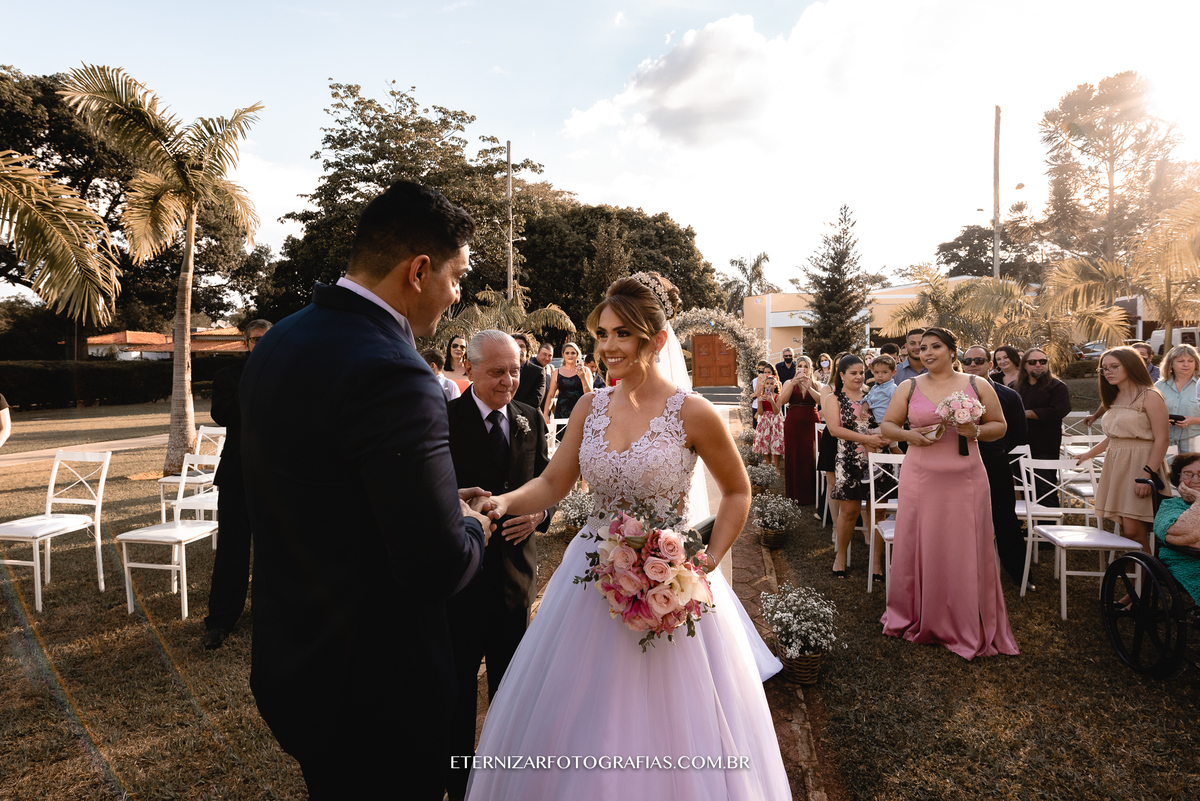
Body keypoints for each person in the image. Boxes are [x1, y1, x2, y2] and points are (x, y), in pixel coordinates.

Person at [466, 272, 790, 799]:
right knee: (581, 712)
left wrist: (703, 563)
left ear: (655, 340)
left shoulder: (692, 412)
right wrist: (503, 502)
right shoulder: (589, 408)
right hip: (588, 578)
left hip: (670, 581)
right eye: (602, 334)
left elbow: (737, 492)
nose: (608, 346)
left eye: (622, 334)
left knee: (674, 720)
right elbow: (552, 482)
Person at [239, 180, 492, 799]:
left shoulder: (280, 341)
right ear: (419, 270)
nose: (456, 297)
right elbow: (436, 565)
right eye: (456, 279)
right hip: (376, 691)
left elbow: (324, 485)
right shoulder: (394, 371)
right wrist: (472, 525)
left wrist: (425, 501)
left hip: (295, 662)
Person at [444, 330, 553, 801]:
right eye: (496, 371)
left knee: (512, 689)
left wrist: (539, 513)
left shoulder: (529, 418)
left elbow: (550, 481)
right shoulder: (443, 419)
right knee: (457, 692)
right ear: (469, 369)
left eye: (515, 369)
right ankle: (459, 781)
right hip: (461, 579)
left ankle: (506, 782)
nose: (509, 380)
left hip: (515, 576)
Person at [880, 327, 1018, 660]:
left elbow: (1000, 426)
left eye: (935, 347)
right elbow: (888, 426)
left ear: (952, 350)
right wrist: (912, 437)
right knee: (921, 541)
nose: (927, 353)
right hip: (921, 476)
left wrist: (976, 430)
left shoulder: (976, 384)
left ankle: (967, 617)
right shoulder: (908, 386)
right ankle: (916, 613)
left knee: (965, 545)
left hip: (966, 478)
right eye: (922, 348)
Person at [202, 319, 272, 650]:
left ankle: (270, 614)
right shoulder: (227, 376)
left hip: (276, 475)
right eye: (255, 340)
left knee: (274, 549)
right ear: (246, 344)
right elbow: (222, 414)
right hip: (236, 475)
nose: (261, 344)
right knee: (232, 550)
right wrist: (254, 386)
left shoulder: (288, 375)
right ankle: (220, 620)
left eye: (266, 339)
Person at [1074, 347, 1170, 556]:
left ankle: (1146, 583)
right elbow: (1116, 435)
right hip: (1117, 465)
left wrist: (1146, 475)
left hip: (1141, 465)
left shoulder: (1150, 395)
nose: (1108, 372)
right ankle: (1141, 582)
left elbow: (1162, 439)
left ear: (1131, 366)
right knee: (1129, 533)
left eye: (1114, 367)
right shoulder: (1114, 397)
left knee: (1134, 532)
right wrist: (1090, 454)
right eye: (1104, 368)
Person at [962, 345, 1030, 588]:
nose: (972, 364)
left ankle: (1020, 575)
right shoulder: (951, 394)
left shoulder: (1008, 395)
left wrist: (994, 447)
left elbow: (1019, 434)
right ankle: (964, 574)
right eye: (966, 360)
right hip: (958, 462)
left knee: (1004, 517)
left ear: (990, 364)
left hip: (994, 460)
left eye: (978, 360)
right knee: (961, 519)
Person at [822, 354, 890, 579]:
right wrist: (866, 440)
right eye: (854, 373)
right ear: (841, 375)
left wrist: (880, 436)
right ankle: (840, 556)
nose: (860, 377)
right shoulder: (834, 399)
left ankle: (876, 563)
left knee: (878, 512)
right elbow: (834, 430)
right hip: (849, 460)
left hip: (877, 460)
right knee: (849, 511)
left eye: (862, 372)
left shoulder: (873, 395)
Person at [1015, 348, 1072, 506]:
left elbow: (1060, 410)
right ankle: (1033, 529)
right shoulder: (1015, 387)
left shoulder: (1057, 387)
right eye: (1032, 362)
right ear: (1024, 365)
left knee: (1045, 490)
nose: (1038, 365)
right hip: (1019, 446)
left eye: (1043, 361)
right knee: (1027, 490)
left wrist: (1026, 413)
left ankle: (1049, 529)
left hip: (1045, 447)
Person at [1153, 453, 1200, 604]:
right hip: (1188, 562)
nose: (1195, 480)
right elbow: (1183, 533)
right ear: (1178, 479)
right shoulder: (1170, 506)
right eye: (1188, 474)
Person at [779, 355, 820, 504]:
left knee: (812, 456)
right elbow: (782, 401)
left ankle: (813, 495)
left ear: (810, 369)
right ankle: (794, 495)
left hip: (811, 422)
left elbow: (821, 401)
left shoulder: (817, 384)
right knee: (794, 456)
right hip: (793, 423)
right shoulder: (788, 382)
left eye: (805, 366)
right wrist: (792, 384)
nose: (802, 369)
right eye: (799, 366)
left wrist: (809, 387)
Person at [1156, 344, 1200, 453]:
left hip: (1195, 441)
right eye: (1180, 361)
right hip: (1165, 442)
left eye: (1190, 361)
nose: (1186, 364)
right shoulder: (1158, 386)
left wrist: (1194, 420)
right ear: (1170, 364)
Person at [542, 341, 593, 426]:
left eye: (573, 353)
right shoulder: (556, 372)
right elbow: (551, 395)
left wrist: (583, 378)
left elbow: (590, 394)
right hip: (561, 413)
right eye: (567, 353)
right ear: (563, 355)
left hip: (580, 411)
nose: (570, 355)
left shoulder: (585, 370)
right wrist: (545, 414)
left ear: (577, 355)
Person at [752, 363, 784, 474]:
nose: (769, 386)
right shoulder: (761, 396)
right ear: (764, 385)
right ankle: (768, 465)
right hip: (765, 420)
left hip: (775, 420)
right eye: (767, 384)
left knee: (775, 443)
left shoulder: (778, 397)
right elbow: (760, 412)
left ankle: (776, 467)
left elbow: (777, 411)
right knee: (765, 442)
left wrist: (771, 401)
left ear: (775, 385)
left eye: (771, 384)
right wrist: (760, 402)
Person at [513, 341, 552, 410]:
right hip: (525, 411)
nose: (547, 358)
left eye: (550, 355)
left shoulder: (549, 368)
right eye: (544, 354)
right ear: (537, 353)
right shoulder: (530, 368)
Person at [864, 353, 898, 426]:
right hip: (877, 422)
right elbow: (867, 399)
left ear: (893, 372)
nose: (880, 375)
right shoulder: (874, 388)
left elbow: (899, 406)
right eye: (876, 372)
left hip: (890, 423)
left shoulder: (892, 388)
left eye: (884, 372)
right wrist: (863, 410)